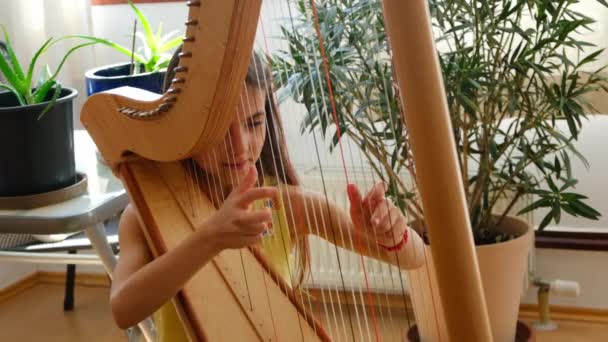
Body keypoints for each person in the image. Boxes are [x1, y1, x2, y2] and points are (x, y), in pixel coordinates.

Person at [109, 46, 425, 341]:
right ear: (185, 128)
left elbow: (415, 258)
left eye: (254, 123)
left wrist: (392, 234)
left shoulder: (285, 203)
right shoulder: (145, 215)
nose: (241, 146)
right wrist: (209, 239)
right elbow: (123, 309)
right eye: (219, 130)